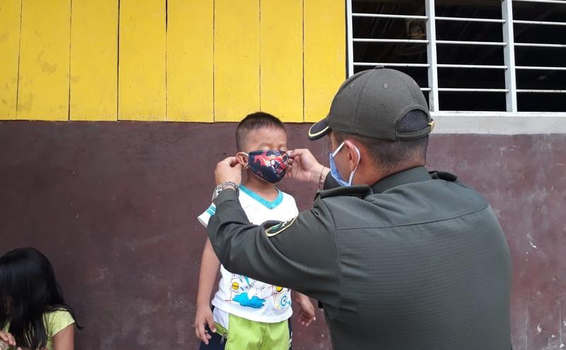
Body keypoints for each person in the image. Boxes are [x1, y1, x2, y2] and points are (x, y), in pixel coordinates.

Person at [205, 67, 512, 350]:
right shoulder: (474, 205)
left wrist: (226, 189)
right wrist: (321, 176)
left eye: (333, 147)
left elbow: (236, 246)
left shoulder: (336, 231)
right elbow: (382, 212)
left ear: (350, 155)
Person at [194, 112, 316, 350]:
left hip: (279, 319)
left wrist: (302, 297)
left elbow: (292, 256)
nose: (277, 155)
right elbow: (213, 250)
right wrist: (202, 304)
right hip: (234, 316)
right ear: (243, 158)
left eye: (282, 149)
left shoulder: (289, 203)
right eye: (267, 148)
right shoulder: (229, 197)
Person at [0, 247, 80, 350]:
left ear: (24, 294)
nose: (2, 297)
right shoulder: (7, 317)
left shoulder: (58, 318)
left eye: (5, 293)